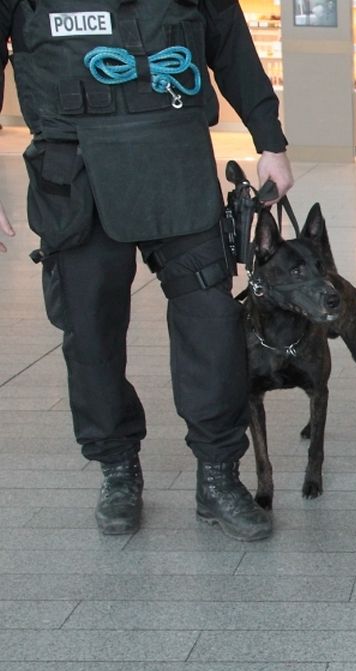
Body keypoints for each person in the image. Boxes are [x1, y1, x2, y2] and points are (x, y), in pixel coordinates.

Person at [0, 0, 294, 540]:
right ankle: (117, 469)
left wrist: (269, 139)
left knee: (211, 325)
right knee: (90, 333)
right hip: (75, 175)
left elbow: (229, 42)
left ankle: (218, 476)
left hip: (174, 164)